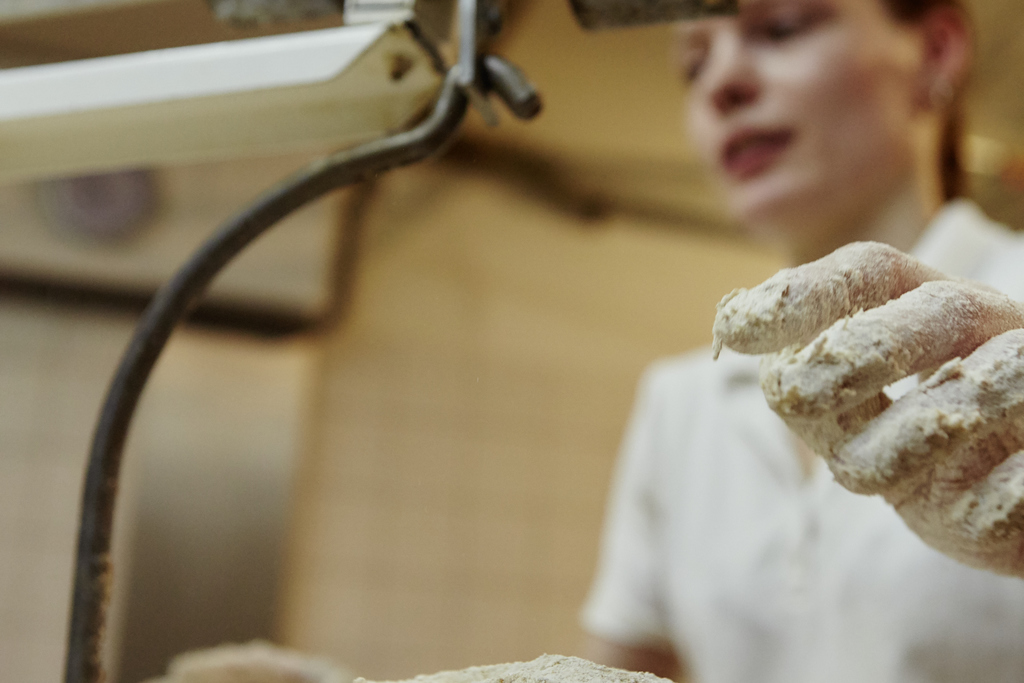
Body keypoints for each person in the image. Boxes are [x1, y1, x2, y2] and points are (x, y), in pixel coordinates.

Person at [581, 1, 1024, 682]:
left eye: (781, 28)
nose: (720, 83)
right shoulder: (681, 404)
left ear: (936, 52)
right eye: (693, 64)